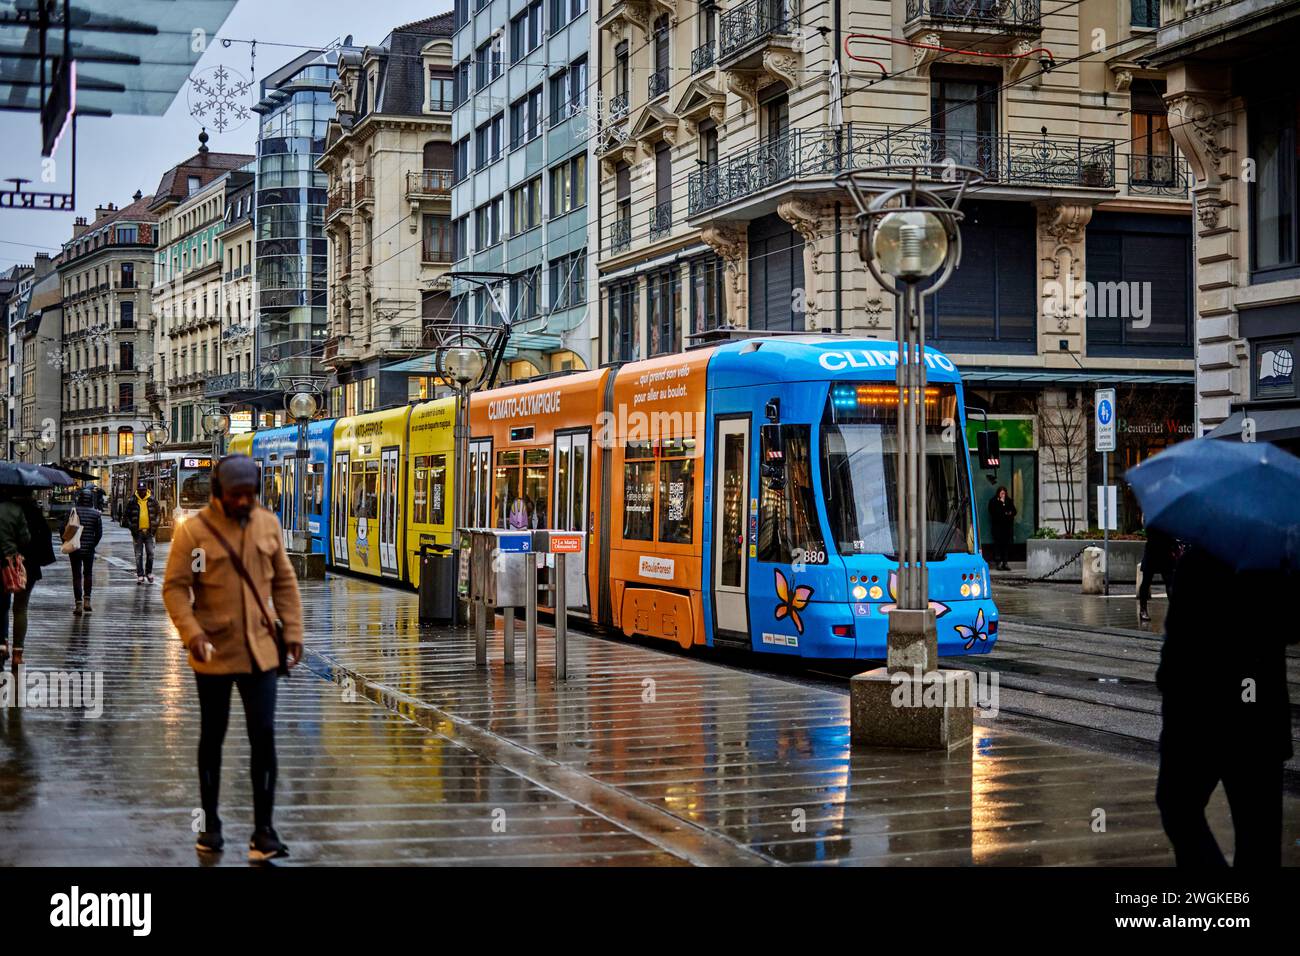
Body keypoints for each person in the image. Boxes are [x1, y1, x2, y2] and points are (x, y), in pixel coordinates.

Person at [162, 455, 304, 863]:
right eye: (236, 495)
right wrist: (193, 634)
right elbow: (175, 589)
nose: (245, 502)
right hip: (214, 653)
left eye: (250, 495)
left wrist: (292, 632)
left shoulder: (267, 523)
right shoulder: (194, 533)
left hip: (261, 651)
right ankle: (210, 826)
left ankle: (264, 831)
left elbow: (284, 581)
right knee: (213, 738)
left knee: (264, 737)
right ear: (218, 493)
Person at [1156, 546, 1294, 867]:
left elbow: (1176, 657)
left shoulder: (1202, 560)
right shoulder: (1275, 559)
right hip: (1261, 719)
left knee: (1178, 806)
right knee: (1259, 838)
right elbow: (1291, 625)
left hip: (1204, 718)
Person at [0, 488, 55, 669]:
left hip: (2, 563)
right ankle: (18, 653)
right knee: (21, 608)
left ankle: (2, 644)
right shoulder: (31, 510)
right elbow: (33, 538)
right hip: (27, 566)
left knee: (2, 606)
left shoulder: (4, 508)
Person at [0, 490, 30, 670]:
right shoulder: (15, 509)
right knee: (5, 601)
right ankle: (6, 644)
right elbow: (25, 539)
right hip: (7, 563)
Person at [66, 487, 103, 614]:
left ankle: (78, 604)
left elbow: (64, 529)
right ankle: (87, 601)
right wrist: (92, 544)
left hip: (74, 548)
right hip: (89, 549)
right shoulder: (96, 514)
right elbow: (99, 533)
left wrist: (67, 541)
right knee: (88, 574)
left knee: (76, 576)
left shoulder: (73, 511)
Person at [1138, 524, 1179, 623]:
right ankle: (1143, 609)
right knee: (1146, 581)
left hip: (1166, 552)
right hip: (1153, 551)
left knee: (1170, 582)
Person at [124, 481, 160, 583]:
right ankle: (140, 575)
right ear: (137, 491)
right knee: (138, 554)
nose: (142, 492)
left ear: (146, 490)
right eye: (140, 490)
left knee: (151, 553)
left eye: (143, 490)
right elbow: (126, 516)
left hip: (149, 532)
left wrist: (155, 525)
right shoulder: (132, 501)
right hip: (137, 532)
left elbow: (158, 513)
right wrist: (132, 527)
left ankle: (149, 573)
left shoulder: (152, 500)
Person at [986, 486, 1017, 571]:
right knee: (998, 545)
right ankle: (998, 563)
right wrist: (1005, 511)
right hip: (997, 528)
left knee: (1005, 546)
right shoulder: (993, 501)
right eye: (1001, 493)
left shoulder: (1009, 501)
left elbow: (1014, 511)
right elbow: (994, 512)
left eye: (1004, 493)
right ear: (998, 493)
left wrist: (1006, 512)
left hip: (1006, 528)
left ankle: (1005, 563)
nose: (1003, 494)